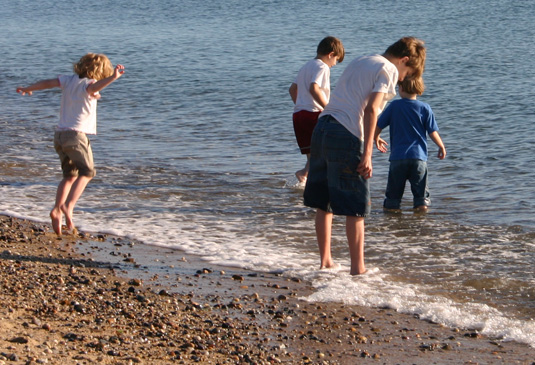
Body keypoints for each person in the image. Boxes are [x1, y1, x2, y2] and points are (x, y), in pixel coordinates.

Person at [303, 37, 426, 275]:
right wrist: (367, 152)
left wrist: (371, 136)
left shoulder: (363, 59)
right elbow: (371, 108)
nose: (403, 79)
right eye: (407, 72)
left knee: (323, 202)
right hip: (345, 134)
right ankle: (358, 269)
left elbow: (352, 101)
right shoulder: (389, 69)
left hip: (323, 128)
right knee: (356, 206)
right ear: (404, 60)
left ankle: (325, 262)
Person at [16, 53, 125, 236]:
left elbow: (46, 83)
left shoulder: (68, 80)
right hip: (76, 136)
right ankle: (69, 206)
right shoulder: (90, 85)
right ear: (101, 71)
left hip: (60, 135)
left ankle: (57, 210)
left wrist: (28, 88)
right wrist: (113, 77)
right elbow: (95, 87)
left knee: (69, 176)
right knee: (88, 172)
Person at [374, 76, 446, 212]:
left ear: (400, 88)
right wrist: (441, 146)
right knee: (421, 197)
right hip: (418, 158)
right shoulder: (425, 108)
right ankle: (421, 223)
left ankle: (392, 223)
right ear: (419, 89)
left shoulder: (394, 106)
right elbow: (432, 131)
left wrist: (376, 137)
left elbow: (378, 125)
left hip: (398, 158)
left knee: (393, 198)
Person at [289, 36, 345, 183]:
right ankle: (311, 176)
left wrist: (301, 104)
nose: (334, 65)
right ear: (331, 54)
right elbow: (314, 88)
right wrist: (328, 108)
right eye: (336, 61)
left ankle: (305, 178)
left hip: (299, 115)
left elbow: (292, 89)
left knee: (313, 154)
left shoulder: (306, 66)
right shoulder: (322, 67)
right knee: (328, 148)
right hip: (314, 114)